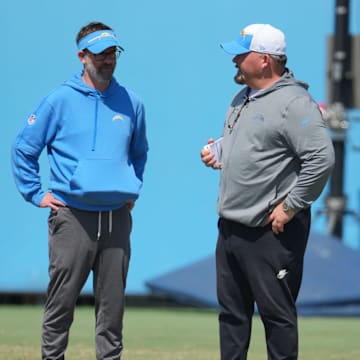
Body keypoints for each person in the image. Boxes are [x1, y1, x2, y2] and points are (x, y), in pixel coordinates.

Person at [11, 21, 148, 360]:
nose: (108, 60)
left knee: (112, 310)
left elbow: (139, 152)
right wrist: (35, 193)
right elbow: (23, 148)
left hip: (116, 219)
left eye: (112, 53)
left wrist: (132, 189)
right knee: (61, 305)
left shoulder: (131, 102)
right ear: (82, 56)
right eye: (100, 54)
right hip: (72, 218)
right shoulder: (58, 100)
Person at [201, 24, 334, 360]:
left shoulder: (295, 103)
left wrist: (291, 206)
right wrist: (219, 152)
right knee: (232, 317)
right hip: (231, 227)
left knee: (276, 318)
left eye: (241, 54)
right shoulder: (240, 97)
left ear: (264, 60)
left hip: (271, 231)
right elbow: (255, 145)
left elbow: (321, 159)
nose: (234, 59)